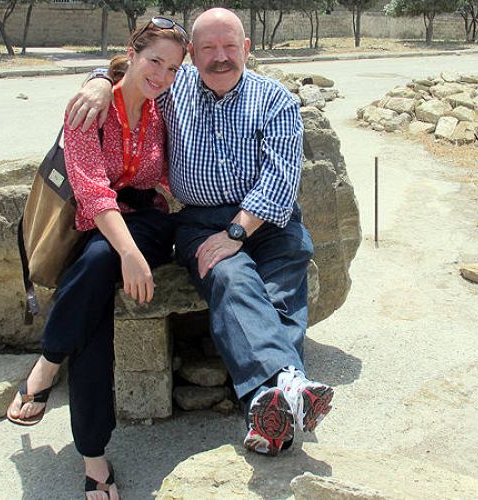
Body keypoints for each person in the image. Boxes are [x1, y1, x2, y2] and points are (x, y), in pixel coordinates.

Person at [66, 7, 334, 457]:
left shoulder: (275, 100)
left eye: (229, 46)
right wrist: (97, 80)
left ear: (246, 48)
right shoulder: (175, 87)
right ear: (192, 53)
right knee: (230, 277)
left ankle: (270, 406)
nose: (220, 57)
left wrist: (237, 232)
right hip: (200, 220)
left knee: (281, 293)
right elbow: (136, 70)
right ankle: (290, 386)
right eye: (208, 48)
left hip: (268, 221)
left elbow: (281, 179)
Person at [6, 18, 188, 499]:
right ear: (133, 52)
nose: (162, 75)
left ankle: (48, 362)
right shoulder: (90, 109)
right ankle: (93, 455)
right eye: (155, 61)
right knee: (95, 291)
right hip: (96, 226)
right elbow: (91, 191)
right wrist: (128, 255)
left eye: (172, 68)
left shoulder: (164, 106)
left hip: (148, 222)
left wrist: (133, 250)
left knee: (96, 263)